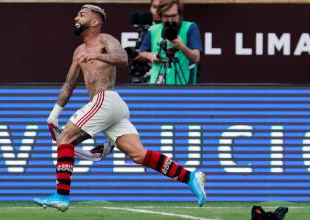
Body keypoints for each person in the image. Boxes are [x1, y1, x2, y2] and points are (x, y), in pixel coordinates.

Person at [33, 4, 206, 212]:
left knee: (65, 139)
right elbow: (69, 85)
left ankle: (61, 196)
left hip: (106, 100)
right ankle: (190, 177)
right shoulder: (79, 51)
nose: (76, 18)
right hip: (110, 109)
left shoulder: (105, 39)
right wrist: (54, 114)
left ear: (95, 21)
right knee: (139, 155)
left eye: (82, 14)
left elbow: (123, 58)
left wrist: (98, 55)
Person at [139, 0, 203, 85]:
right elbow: (141, 53)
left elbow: (196, 58)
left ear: (180, 15)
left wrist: (181, 46)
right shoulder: (154, 29)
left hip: (183, 87)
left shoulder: (190, 27)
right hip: (157, 86)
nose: (170, 20)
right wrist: (151, 56)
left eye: (173, 16)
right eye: (166, 16)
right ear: (160, 16)